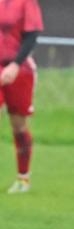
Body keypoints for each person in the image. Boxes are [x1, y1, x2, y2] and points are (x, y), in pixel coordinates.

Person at [0, 0, 44, 194]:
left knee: (18, 126)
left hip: (18, 70)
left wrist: (16, 65)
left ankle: (23, 178)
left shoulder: (25, 2)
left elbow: (32, 35)